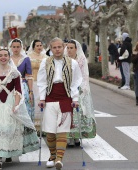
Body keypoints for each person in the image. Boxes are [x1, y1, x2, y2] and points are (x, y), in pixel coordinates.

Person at [0, 49, 39, 170]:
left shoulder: (14, 72)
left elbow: (18, 90)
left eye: (5, 55)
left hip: (9, 103)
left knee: (9, 128)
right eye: (1, 56)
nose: (3, 57)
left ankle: (8, 153)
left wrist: (16, 105)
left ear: (9, 57)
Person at [37, 37, 82, 169]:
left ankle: (59, 159)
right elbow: (42, 81)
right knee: (50, 130)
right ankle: (52, 155)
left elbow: (76, 82)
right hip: (51, 96)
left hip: (65, 97)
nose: (57, 50)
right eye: (54, 47)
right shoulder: (45, 62)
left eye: (59, 47)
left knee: (63, 129)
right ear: (51, 49)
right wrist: (42, 98)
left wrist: (75, 99)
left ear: (64, 48)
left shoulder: (72, 63)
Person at [64, 39, 96, 147]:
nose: (69, 50)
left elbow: (85, 75)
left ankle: (77, 136)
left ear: (76, 49)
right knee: (67, 113)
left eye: (71, 48)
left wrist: (83, 88)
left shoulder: (81, 59)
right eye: (67, 48)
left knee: (78, 114)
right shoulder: (64, 59)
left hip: (78, 88)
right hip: (66, 89)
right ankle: (69, 137)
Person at [9, 38, 34, 121]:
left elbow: (29, 76)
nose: (16, 49)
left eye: (18, 47)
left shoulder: (26, 59)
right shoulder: (8, 59)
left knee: (23, 106)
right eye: (14, 47)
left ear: (21, 47)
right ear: (11, 47)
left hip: (22, 85)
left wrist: (30, 91)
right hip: (9, 86)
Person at [27, 40, 47, 130]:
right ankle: (33, 125)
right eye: (37, 45)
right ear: (33, 46)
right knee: (33, 101)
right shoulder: (28, 57)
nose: (39, 47)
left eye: (40, 45)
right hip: (33, 82)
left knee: (42, 101)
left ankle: (43, 125)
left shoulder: (45, 56)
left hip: (43, 82)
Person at [131, 41, 138, 106]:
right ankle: (137, 98)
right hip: (137, 71)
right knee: (137, 85)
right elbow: (133, 61)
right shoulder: (135, 53)